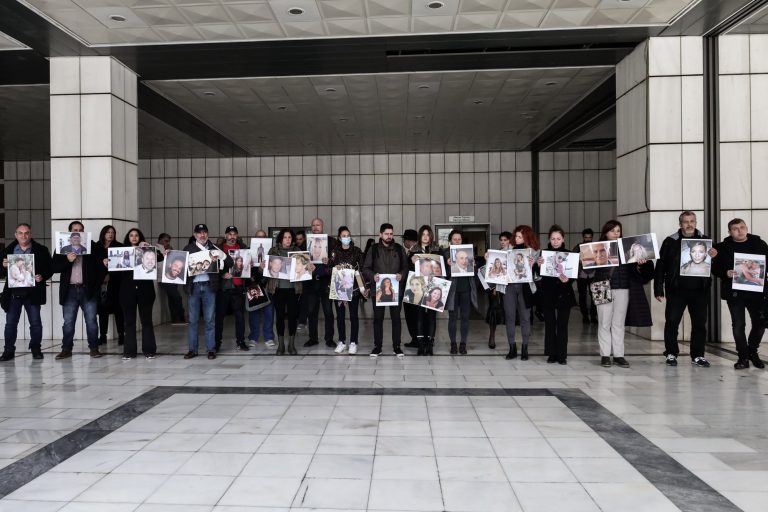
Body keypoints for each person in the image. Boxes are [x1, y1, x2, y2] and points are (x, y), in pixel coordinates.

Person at [654, 211, 716, 368]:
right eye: (686, 221)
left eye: (692, 221)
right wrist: (658, 289)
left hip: (700, 291)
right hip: (676, 290)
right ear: (680, 224)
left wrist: (716, 257)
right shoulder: (670, 241)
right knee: (672, 322)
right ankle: (671, 353)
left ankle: (698, 355)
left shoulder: (706, 240)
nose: (689, 224)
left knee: (700, 324)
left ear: (696, 222)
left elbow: (714, 267)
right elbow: (661, 266)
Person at [594, 220, 654, 368]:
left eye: (618, 231)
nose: (616, 233)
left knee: (618, 323)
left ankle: (619, 355)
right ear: (605, 232)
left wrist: (641, 264)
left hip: (623, 288)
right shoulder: (596, 248)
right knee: (604, 323)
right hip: (601, 287)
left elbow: (642, 272)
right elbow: (587, 271)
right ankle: (605, 355)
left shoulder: (627, 248)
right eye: (612, 230)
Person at [712, 218, 768, 369]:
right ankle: (743, 357)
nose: (739, 231)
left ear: (746, 228)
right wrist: (725, 273)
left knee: (760, 323)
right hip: (735, 292)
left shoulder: (759, 244)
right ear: (729, 232)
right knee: (738, 325)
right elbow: (714, 268)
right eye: (735, 229)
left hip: (757, 292)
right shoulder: (722, 247)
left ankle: (752, 352)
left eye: (742, 227)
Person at [52, 221, 107, 359]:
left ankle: (94, 348)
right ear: (70, 233)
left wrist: (96, 285)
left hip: (88, 290)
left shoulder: (92, 247)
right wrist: (67, 260)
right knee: (68, 322)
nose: (78, 232)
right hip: (69, 290)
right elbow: (55, 267)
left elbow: (101, 268)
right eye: (75, 230)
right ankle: (66, 349)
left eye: (80, 230)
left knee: (91, 321)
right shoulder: (62, 248)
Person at [1, 224, 53, 361]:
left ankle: (36, 349)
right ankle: (8, 351)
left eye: (26, 233)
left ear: (30, 234)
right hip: (13, 294)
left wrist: (42, 276)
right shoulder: (8, 251)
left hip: (33, 293)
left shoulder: (41, 250)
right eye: (20, 233)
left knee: (35, 323)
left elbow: (50, 268)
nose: (23, 236)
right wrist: (3, 266)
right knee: (10, 324)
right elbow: (1, 272)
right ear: (16, 235)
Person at [183, 224, 232, 360]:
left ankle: (211, 349)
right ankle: (192, 349)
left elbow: (229, 262)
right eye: (199, 233)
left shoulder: (214, 248)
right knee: (193, 320)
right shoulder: (188, 249)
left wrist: (221, 255)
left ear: (208, 234)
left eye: (204, 232)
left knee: (210, 320)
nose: (202, 235)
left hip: (209, 287)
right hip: (194, 287)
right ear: (195, 235)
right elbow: (180, 267)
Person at [362, 223, 409, 357]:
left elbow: (406, 267)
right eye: (386, 234)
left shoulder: (399, 249)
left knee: (396, 319)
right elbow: (365, 268)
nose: (389, 236)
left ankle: (397, 347)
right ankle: (377, 347)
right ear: (380, 234)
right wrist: (373, 276)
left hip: (396, 289)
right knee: (378, 319)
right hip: (378, 290)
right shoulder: (373, 249)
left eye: (391, 234)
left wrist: (401, 275)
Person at [117, 229, 159, 360]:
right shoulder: (122, 252)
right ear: (128, 238)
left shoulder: (147, 250)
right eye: (131, 235)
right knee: (129, 322)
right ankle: (129, 352)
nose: (134, 237)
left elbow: (160, 257)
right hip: (127, 291)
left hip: (145, 290)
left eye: (136, 235)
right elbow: (114, 269)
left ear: (140, 237)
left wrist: (148, 247)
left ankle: (149, 350)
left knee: (146, 321)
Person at [537, 225, 576, 365]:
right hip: (548, 293)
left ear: (563, 239)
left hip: (564, 293)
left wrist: (568, 280)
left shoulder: (569, 254)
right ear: (549, 239)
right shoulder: (544, 254)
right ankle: (551, 353)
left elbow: (573, 274)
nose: (555, 241)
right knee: (550, 324)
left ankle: (562, 355)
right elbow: (538, 274)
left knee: (562, 325)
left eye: (558, 239)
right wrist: (538, 265)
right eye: (553, 238)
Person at [267, 228, 310, 355]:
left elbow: (304, 270)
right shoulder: (273, 251)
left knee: (293, 316)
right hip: (277, 289)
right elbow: (266, 271)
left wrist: (309, 267)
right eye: (285, 237)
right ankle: (281, 345)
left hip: (293, 289)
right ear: (281, 238)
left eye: (289, 237)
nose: (287, 240)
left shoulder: (297, 251)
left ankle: (291, 344)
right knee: (279, 317)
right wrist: (263, 266)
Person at [503, 225, 538, 361]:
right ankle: (512, 347)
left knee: (525, 318)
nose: (517, 239)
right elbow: (496, 259)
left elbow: (539, 275)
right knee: (509, 317)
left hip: (525, 287)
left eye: (520, 237)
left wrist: (534, 265)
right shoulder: (507, 250)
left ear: (527, 237)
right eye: (516, 236)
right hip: (509, 286)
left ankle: (525, 347)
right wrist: (488, 256)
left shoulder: (534, 252)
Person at [329, 226, 364, 355]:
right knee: (340, 316)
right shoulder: (334, 252)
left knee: (353, 316)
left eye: (348, 235)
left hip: (353, 289)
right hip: (339, 288)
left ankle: (353, 342)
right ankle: (342, 341)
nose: (346, 238)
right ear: (339, 238)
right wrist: (335, 268)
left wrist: (361, 285)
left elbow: (362, 269)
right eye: (343, 236)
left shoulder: (357, 251)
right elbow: (329, 268)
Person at [408, 225, 442, 356]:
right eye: (423, 234)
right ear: (420, 236)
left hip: (433, 286)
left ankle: (430, 344)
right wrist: (411, 260)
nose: (426, 237)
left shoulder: (437, 250)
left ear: (431, 236)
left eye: (428, 234)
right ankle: (421, 344)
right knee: (419, 316)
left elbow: (442, 268)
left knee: (432, 316)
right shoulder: (413, 251)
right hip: (419, 287)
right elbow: (408, 269)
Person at [302, 218, 335, 349]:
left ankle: (329, 338)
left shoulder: (331, 241)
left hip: (326, 281)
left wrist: (330, 261)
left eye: (318, 225)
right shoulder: (306, 243)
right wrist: (306, 264)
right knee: (311, 311)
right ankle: (313, 338)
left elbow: (337, 259)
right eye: (313, 225)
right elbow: (299, 260)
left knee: (328, 311)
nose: (315, 227)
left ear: (323, 226)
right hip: (311, 282)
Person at [216, 226, 250, 352]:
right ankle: (217, 342)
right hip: (223, 287)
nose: (232, 237)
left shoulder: (243, 249)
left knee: (240, 316)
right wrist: (221, 274)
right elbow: (212, 267)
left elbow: (248, 267)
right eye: (230, 234)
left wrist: (249, 265)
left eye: (234, 234)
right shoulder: (219, 249)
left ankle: (241, 341)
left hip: (238, 286)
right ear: (225, 235)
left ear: (237, 235)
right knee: (220, 316)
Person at [444, 230, 478, 355]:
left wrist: (474, 265)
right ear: (450, 240)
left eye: (459, 239)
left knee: (465, 318)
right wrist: (447, 265)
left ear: (462, 240)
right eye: (455, 239)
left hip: (466, 290)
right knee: (452, 318)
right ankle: (453, 344)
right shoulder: (445, 253)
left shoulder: (468, 252)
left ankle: (463, 344)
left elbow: (474, 272)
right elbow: (441, 272)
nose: (457, 241)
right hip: (452, 290)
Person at [97, 225, 125, 346]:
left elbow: (123, 264)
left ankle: (121, 335)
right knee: (102, 310)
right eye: (108, 232)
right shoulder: (97, 247)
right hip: (101, 284)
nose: (110, 234)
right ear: (103, 234)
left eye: (112, 232)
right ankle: (102, 335)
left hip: (116, 283)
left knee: (119, 309)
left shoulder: (119, 246)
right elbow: (93, 264)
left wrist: (110, 275)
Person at [249, 229, 275, 349]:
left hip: (268, 285)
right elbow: (247, 273)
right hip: (254, 285)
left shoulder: (272, 252)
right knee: (254, 312)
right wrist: (257, 269)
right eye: (258, 237)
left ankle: (269, 337)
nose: (261, 239)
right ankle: (253, 337)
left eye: (263, 237)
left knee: (269, 313)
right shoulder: (249, 252)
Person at [486, 233, 510, 350]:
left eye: (505, 240)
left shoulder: (513, 253)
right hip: (496, 287)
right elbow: (490, 273)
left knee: (509, 312)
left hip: (510, 287)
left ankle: (511, 340)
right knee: (493, 310)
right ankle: (492, 336)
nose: (502, 242)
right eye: (501, 240)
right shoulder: (496, 254)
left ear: (510, 241)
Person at [158, 233, 185, 324]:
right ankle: (180, 317)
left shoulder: (169, 249)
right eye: (166, 241)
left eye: (168, 241)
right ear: (160, 240)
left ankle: (175, 318)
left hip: (171, 277)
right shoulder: (156, 250)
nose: (168, 243)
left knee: (172, 298)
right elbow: (160, 265)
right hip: (163, 278)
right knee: (177, 297)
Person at [401, 228, 421, 348]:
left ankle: (417, 339)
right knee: (410, 315)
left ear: (409, 241)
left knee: (413, 315)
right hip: (407, 288)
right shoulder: (406, 251)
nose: (404, 242)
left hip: (414, 288)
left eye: (405, 240)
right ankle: (415, 338)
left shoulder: (417, 253)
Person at [574, 228, 597, 324]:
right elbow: (572, 259)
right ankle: (585, 316)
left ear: (592, 237)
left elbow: (601, 259)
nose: (588, 239)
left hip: (593, 274)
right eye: (586, 237)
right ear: (583, 237)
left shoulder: (596, 246)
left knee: (594, 296)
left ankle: (593, 316)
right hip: (582, 275)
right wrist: (579, 261)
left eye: (589, 237)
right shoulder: (578, 247)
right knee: (582, 297)